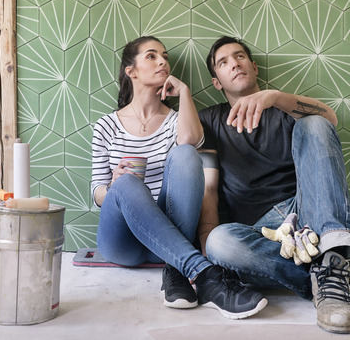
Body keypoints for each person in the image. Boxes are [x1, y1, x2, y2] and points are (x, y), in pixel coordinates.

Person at [196, 36, 350, 333]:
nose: (234, 64)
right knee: (218, 242)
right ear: (216, 82)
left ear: (254, 67)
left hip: (308, 217)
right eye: (223, 63)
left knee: (314, 122)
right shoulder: (209, 120)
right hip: (262, 232)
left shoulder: (285, 109)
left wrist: (275, 97)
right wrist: (205, 257)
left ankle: (331, 263)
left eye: (239, 57)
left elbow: (330, 119)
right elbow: (208, 190)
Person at [90, 36, 267, 319]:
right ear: (131, 71)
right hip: (122, 242)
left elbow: (189, 141)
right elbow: (97, 192)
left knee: (185, 153)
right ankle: (204, 274)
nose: (162, 61)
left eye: (165, 56)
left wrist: (183, 91)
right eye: (151, 56)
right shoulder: (106, 126)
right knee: (125, 183)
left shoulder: (176, 119)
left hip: (169, 239)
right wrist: (113, 186)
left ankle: (177, 269)